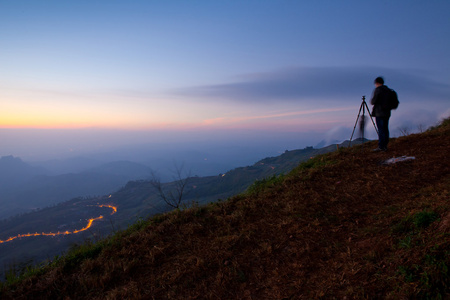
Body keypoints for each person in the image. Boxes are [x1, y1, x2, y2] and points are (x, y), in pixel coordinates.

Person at [370, 76, 393, 151]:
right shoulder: (388, 90)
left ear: (376, 83)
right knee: (385, 129)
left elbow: (373, 101)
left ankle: (381, 146)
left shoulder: (378, 90)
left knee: (381, 129)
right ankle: (385, 145)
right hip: (387, 112)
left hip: (379, 113)